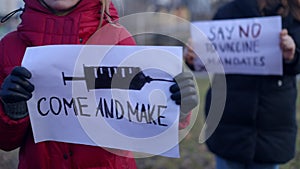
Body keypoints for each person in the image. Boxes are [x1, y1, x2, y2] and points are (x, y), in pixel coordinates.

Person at [0, 0, 198, 168]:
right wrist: (11, 111)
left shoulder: (119, 40)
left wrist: (175, 107)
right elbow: (6, 142)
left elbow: (140, 120)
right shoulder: (9, 48)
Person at [203, 0, 300, 169]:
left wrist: (292, 55)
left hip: (271, 126)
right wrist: (194, 57)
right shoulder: (227, 12)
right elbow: (209, 59)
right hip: (229, 122)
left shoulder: (294, 13)